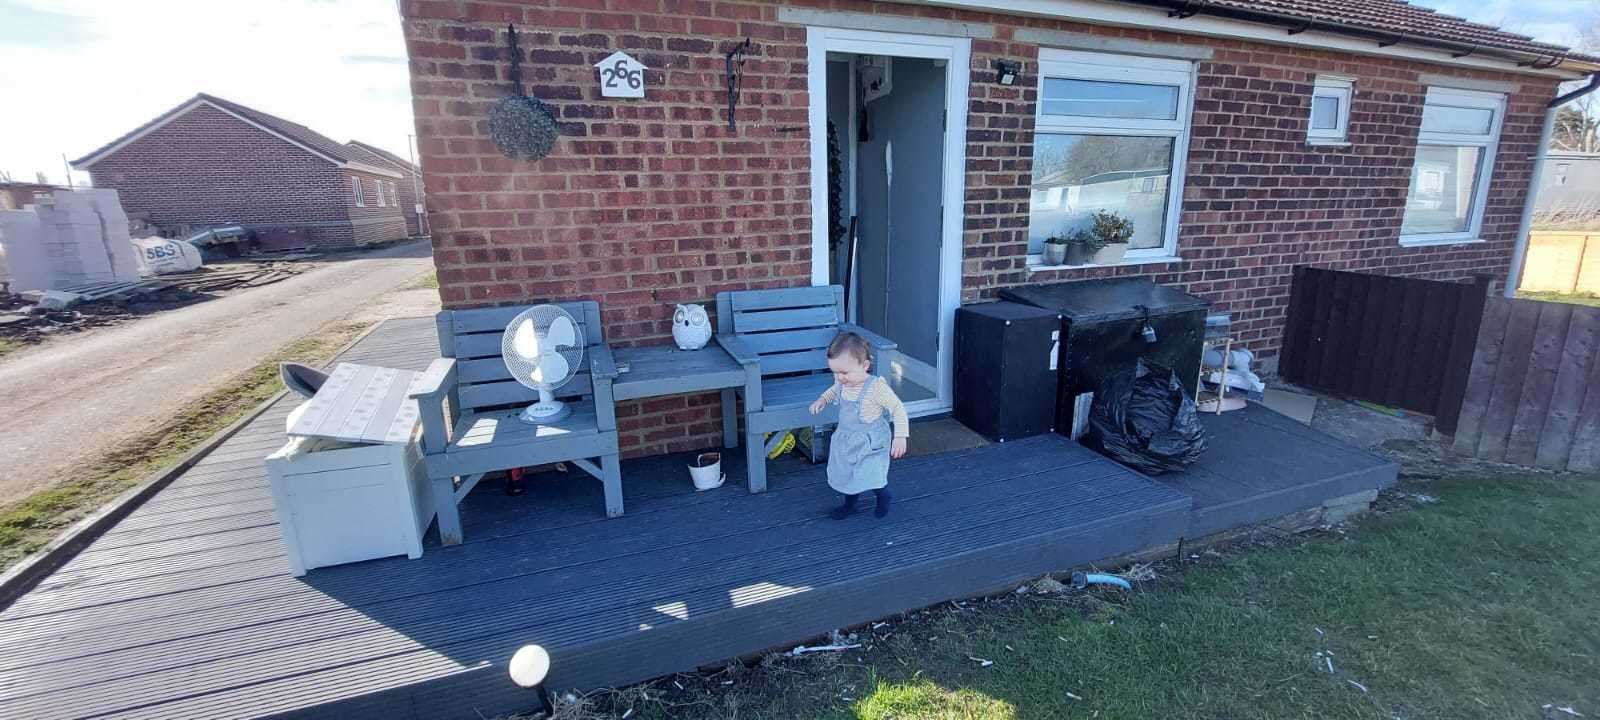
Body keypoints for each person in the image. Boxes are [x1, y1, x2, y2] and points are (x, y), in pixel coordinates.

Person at [808, 332, 909, 519]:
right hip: (847, 439)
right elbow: (833, 391)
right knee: (848, 473)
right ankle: (850, 505)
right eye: (835, 372)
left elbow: (898, 408)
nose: (839, 378)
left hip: (870, 442)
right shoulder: (843, 383)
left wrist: (900, 436)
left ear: (865, 366)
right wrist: (822, 400)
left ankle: (884, 496)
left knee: (870, 473)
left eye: (844, 372)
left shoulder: (876, 388)